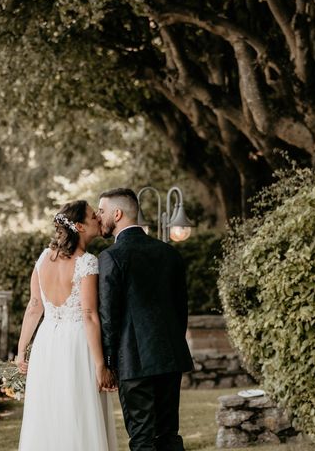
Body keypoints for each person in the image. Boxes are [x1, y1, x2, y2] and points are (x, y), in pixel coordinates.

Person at [16, 200, 118, 451]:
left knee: (50, 412)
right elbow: (89, 314)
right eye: (94, 216)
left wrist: (21, 352)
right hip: (77, 344)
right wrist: (100, 365)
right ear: (80, 227)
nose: (98, 219)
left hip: (47, 342)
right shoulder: (88, 262)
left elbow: (34, 307)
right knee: (80, 410)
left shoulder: (42, 259)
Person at [97, 188, 193, 451]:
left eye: (102, 211)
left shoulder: (111, 257)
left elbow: (108, 316)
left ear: (117, 214)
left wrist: (107, 363)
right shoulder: (169, 253)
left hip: (133, 361)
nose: (98, 216)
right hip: (170, 356)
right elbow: (180, 309)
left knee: (142, 439)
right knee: (168, 435)